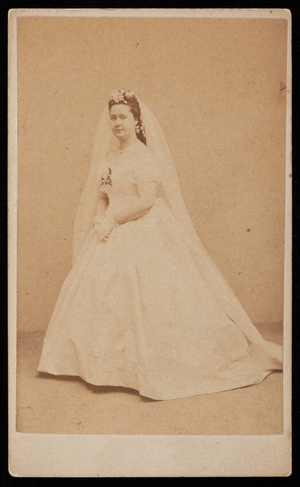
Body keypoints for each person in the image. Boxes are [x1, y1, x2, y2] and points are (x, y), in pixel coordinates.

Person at [37, 90, 283, 400]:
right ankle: (96, 366)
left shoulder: (143, 156)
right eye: (113, 117)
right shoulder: (109, 156)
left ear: (137, 120)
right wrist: (100, 219)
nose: (116, 123)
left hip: (141, 227)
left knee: (152, 294)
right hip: (109, 229)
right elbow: (102, 194)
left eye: (123, 117)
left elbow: (146, 201)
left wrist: (114, 221)